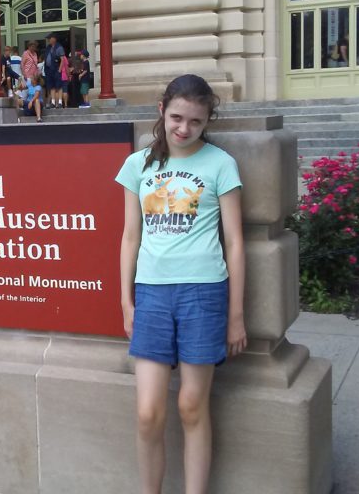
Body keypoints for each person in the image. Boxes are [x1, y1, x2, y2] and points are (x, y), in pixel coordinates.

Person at [115, 74, 246, 494]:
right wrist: (126, 303)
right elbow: (130, 236)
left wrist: (236, 316)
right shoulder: (138, 165)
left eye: (196, 121)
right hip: (152, 294)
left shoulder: (220, 164)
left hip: (204, 293)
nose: (184, 129)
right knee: (148, 413)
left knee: (192, 406)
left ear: (208, 120)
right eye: (176, 117)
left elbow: (236, 243)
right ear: (161, 111)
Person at [44, 34, 65, 108]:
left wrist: (59, 70)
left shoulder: (59, 47)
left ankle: (59, 102)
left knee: (58, 86)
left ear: (54, 39)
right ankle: (52, 102)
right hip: (49, 70)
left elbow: (62, 60)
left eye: (49, 38)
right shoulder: (48, 48)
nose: (48, 40)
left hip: (56, 69)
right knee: (51, 86)